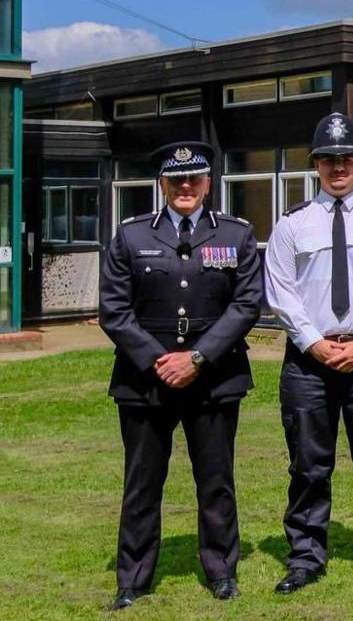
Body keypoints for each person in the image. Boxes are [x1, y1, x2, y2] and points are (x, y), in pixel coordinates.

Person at [98, 141, 262, 610]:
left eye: (194, 179)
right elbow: (113, 309)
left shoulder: (235, 234)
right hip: (144, 381)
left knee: (215, 481)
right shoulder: (130, 237)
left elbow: (247, 303)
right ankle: (132, 578)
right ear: (163, 184)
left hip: (213, 379)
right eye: (176, 180)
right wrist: (159, 360)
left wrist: (197, 359)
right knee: (142, 483)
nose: (185, 187)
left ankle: (221, 572)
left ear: (208, 183)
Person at [265, 113, 353, 593]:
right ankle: (305, 556)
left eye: (346, 157)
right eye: (328, 159)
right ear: (316, 166)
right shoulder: (291, 225)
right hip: (309, 362)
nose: (337, 167)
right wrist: (314, 342)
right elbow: (281, 291)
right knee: (308, 466)